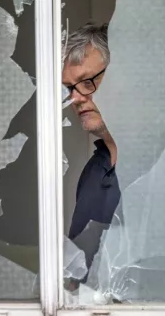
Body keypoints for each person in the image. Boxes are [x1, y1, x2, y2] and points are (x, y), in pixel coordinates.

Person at [62, 23, 120, 277]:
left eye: (87, 82)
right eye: (69, 88)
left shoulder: (163, 163)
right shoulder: (93, 170)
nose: (75, 98)